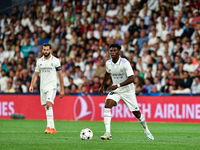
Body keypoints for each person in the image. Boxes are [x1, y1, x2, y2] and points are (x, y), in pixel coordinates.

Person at [99, 43, 154, 140]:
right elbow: (107, 74)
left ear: (119, 52)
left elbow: (132, 78)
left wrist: (118, 85)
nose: (112, 52)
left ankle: (146, 129)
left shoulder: (125, 63)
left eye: (115, 50)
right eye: (111, 51)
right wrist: (102, 86)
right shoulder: (108, 63)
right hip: (116, 90)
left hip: (128, 91)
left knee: (137, 114)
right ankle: (108, 132)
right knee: (108, 104)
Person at [29, 43, 64, 134]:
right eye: (44, 50)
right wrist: (32, 85)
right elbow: (36, 75)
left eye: (47, 50)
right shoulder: (39, 61)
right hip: (42, 87)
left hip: (52, 87)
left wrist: (62, 89)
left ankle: (48, 127)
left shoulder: (56, 61)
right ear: (42, 50)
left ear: (50, 50)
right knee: (46, 107)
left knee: (49, 104)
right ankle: (53, 128)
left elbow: (60, 75)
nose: (46, 51)